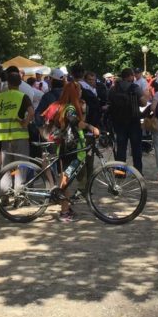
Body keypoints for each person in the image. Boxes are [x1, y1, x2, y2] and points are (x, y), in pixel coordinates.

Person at [51, 81, 100, 222]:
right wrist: (91, 127)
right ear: (74, 92)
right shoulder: (71, 107)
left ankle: (65, 206)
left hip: (65, 147)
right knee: (66, 178)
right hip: (71, 148)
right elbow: (74, 122)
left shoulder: (64, 106)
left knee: (66, 177)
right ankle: (64, 211)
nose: (81, 92)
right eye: (78, 90)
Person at [108, 68, 143, 173]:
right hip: (134, 121)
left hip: (118, 122)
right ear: (130, 76)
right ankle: (138, 171)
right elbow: (143, 103)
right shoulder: (135, 88)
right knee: (136, 147)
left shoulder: (114, 89)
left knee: (121, 148)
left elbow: (109, 102)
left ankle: (119, 171)